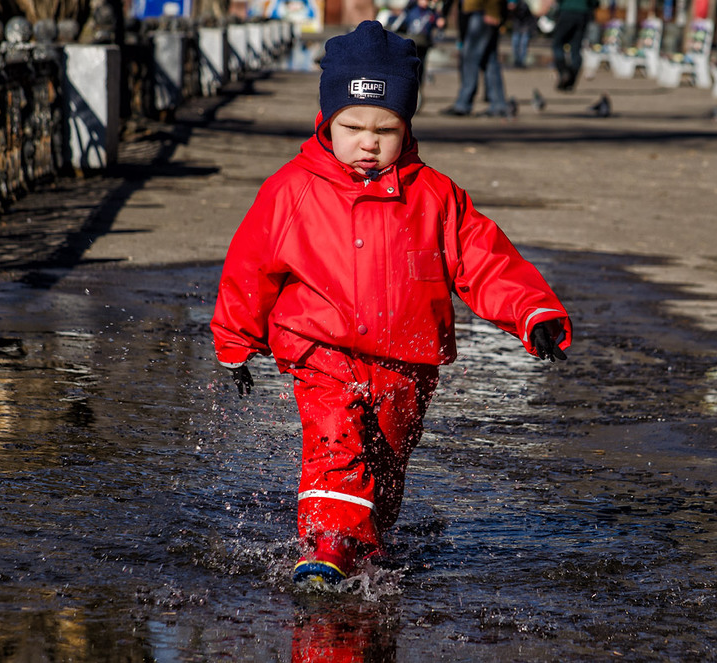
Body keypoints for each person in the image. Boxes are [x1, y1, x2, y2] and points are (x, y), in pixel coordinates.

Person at [211, 21, 571, 586]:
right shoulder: (293, 190)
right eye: (351, 126)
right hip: (322, 351)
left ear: (408, 126)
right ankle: (326, 547)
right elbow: (249, 267)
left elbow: (484, 261)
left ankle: (365, 549)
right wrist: (235, 343)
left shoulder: (434, 195)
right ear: (328, 121)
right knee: (336, 445)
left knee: (383, 468)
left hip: (407, 363)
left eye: (387, 128)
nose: (368, 141)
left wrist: (534, 313)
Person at [439, 0, 515, 116]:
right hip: (479, 11)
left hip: (482, 12)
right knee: (489, 60)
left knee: (470, 58)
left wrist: (492, 11)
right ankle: (499, 104)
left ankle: (463, 104)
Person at [544, 0, 597, 91]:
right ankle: (571, 79)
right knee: (576, 48)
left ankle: (564, 71)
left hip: (566, 13)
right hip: (582, 15)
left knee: (557, 45)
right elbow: (594, 3)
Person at [508, 0, 536, 67]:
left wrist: (514, 9)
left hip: (525, 28)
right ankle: (517, 61)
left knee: (523, 45)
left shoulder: (523, 5)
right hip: (516, 28)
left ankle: (521, 61)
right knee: (515, 45)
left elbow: (521, 14)